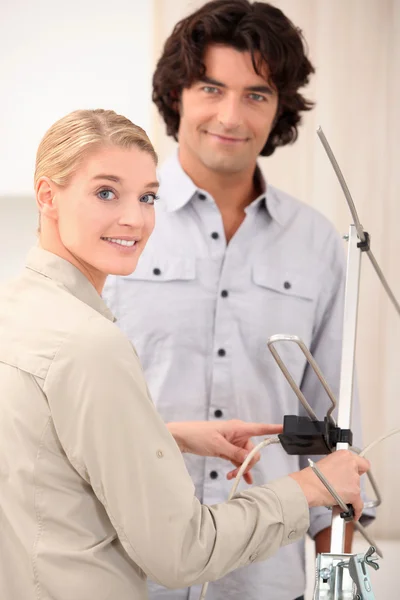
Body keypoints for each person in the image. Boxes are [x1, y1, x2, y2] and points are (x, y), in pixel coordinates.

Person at [0, 108, 370, 600]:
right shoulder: (91, 342)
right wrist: (310, 488)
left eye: (148, 197)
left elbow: (41, 457)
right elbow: (182, 552)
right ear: (48, 196)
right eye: (105, 192)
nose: (134, 218)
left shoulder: (15, 311)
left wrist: (161, 436)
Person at [103, 2, 372, 599]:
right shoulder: (114, 225)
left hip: (267, 579)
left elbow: (339, 439)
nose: (231, 115)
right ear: (178, 94)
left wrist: (342, 588)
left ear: (280, 109)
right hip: (127, 574)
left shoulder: (319, 247)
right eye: (211, 87)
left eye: (257, 94)